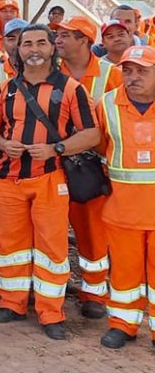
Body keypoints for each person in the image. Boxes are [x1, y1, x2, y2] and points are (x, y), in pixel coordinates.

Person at [0, 24, 100, 340]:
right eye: (26, 44)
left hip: (50, 177)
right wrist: (3, 144)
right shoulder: (5, 88)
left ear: (52, 48)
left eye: (40, 43)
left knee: (52, 247)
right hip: (7, 179)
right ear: (17, 51)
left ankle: (51, 313)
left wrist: (55, 148)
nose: (33, 49)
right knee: (11, 247)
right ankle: (12, 303)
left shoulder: (72, 88)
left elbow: (92, 133)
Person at [55, 16, 123, 318]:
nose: (58, 40)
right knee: (52, 231)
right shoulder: (51, 71)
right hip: (54, 163)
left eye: (65, 35)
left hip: (93, 168)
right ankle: (50, 289)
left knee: (92, 232)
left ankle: (93, 293)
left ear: (84, 39)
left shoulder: (112, 75)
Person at [95, 45, 155, 349]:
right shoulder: (106, 104)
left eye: (142, 71)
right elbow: (98, 146)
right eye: (128, 71)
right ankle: (122, 324)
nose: (133, 77)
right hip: (122, 212)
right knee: (123, 275)